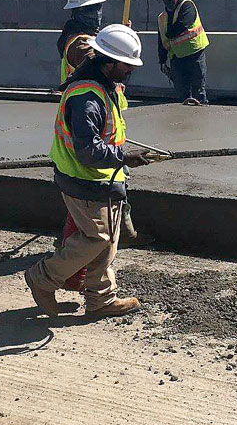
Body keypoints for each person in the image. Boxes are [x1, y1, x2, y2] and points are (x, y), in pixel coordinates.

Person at [25, 24, 150, 320]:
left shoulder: (104, 86)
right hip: (84, 179)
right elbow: (88, 151)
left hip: (104, 178)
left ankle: (101, 299)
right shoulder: (86, 98)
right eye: (127, 64)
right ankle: (42, 278)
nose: (131, 70)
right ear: (109, 63)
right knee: (96, 239)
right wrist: (125, 157)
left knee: (109, 239)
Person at [157, 0, 210, 105]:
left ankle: (200, 114)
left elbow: (183, 25)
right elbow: (161, 40)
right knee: (181, 91)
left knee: (198, 88)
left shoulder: (187, 6)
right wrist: (162, 60)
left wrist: (169, 33)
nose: (169, 1)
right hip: (176, 58)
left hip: (194, 53)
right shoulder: (162, 17)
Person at [57, 0, 105, 83]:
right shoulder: (78, 42)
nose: (96, 13)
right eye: (90, 8)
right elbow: (97, 62)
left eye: (98, 7)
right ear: (77, 11)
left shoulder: (93, 35)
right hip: (84, 98)